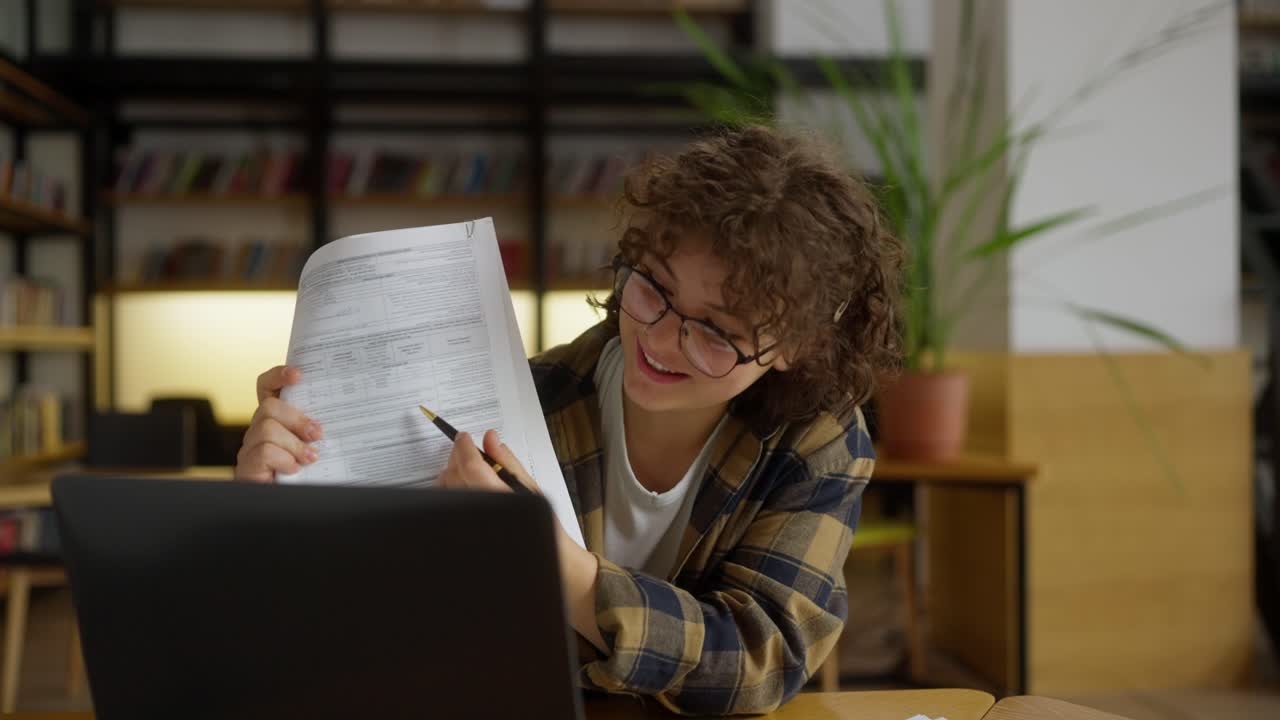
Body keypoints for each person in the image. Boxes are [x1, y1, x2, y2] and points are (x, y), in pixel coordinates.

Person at [235, 125, 903, 715]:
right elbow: (373, 629)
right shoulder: (532, 399)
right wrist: (277, 513)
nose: (663, 339)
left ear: (796, 346)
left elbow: (763, 659)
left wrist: (560, 567)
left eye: (716, 333)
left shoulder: (817, 440)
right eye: (653, 288)